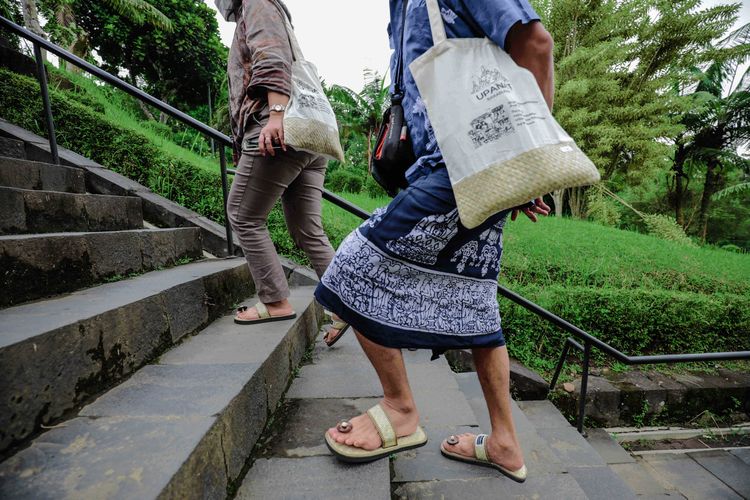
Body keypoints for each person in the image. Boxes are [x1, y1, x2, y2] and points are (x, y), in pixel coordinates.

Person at [315, 0, 554, 482]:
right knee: (474, 300)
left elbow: (536, 44)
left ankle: (400, 410)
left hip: (463, 166)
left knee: (352, 270)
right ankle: (505, 441)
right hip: (461, 171)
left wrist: (530, 163)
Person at [220, 0, 348, 345]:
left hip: (281, 130)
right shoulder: (271, 7)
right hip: (310, 135)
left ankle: (274, 300)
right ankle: (344, 305)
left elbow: (272, 57)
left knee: (243, 215)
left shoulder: (256, 3)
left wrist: (275, 115)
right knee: (308, 229)